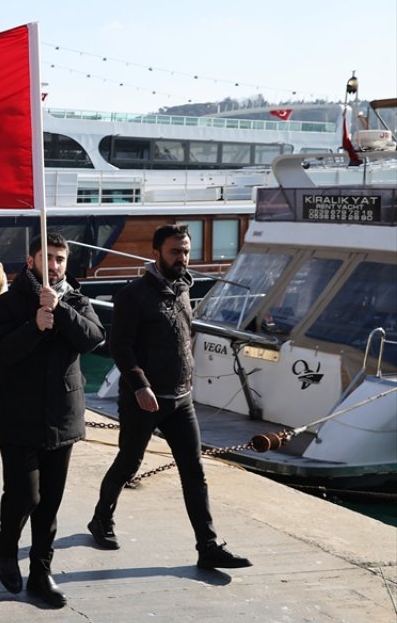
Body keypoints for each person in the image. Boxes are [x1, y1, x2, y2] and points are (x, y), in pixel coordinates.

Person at [88, 225, 252, 570]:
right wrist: (139, 386)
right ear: (157, 253)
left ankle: (207, 546)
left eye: (186, 251)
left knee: (194, 472)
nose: (182, 258)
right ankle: (101, 519)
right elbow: (120, 346)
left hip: (181, 400)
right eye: (175, 252)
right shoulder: (134, 294)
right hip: (143, 400)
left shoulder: (182, 289)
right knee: (129, 463)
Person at [0, 232, 104, 608]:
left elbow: (94, 338)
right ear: (32, 259)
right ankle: (7, 547)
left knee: (50, 502)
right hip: (19, 416)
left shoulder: (75, 299)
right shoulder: (8, 304)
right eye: (47, 257)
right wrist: (34, 324)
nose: (54, 265)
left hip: (63, 416)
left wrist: (62, 311)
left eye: (60, 259)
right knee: (25, 495)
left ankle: (41, 572)